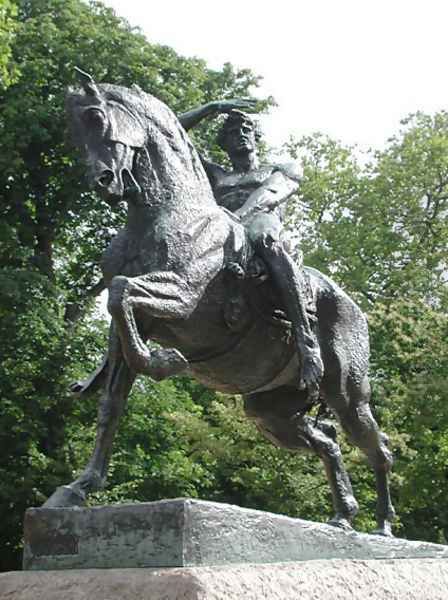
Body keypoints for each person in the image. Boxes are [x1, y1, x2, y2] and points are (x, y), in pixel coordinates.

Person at [178, 100, 323, 398]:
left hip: (260, 225)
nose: (240, 134)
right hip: (221, 234)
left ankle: (305, 340)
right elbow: (170, 132)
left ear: (255, 135)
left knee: (265, 240)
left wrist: (239, 217)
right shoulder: (217, 175)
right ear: (224, 142)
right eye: (232, 131)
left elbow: (270, 195)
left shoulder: (282, 167)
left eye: (246, 129)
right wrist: (211, 108)